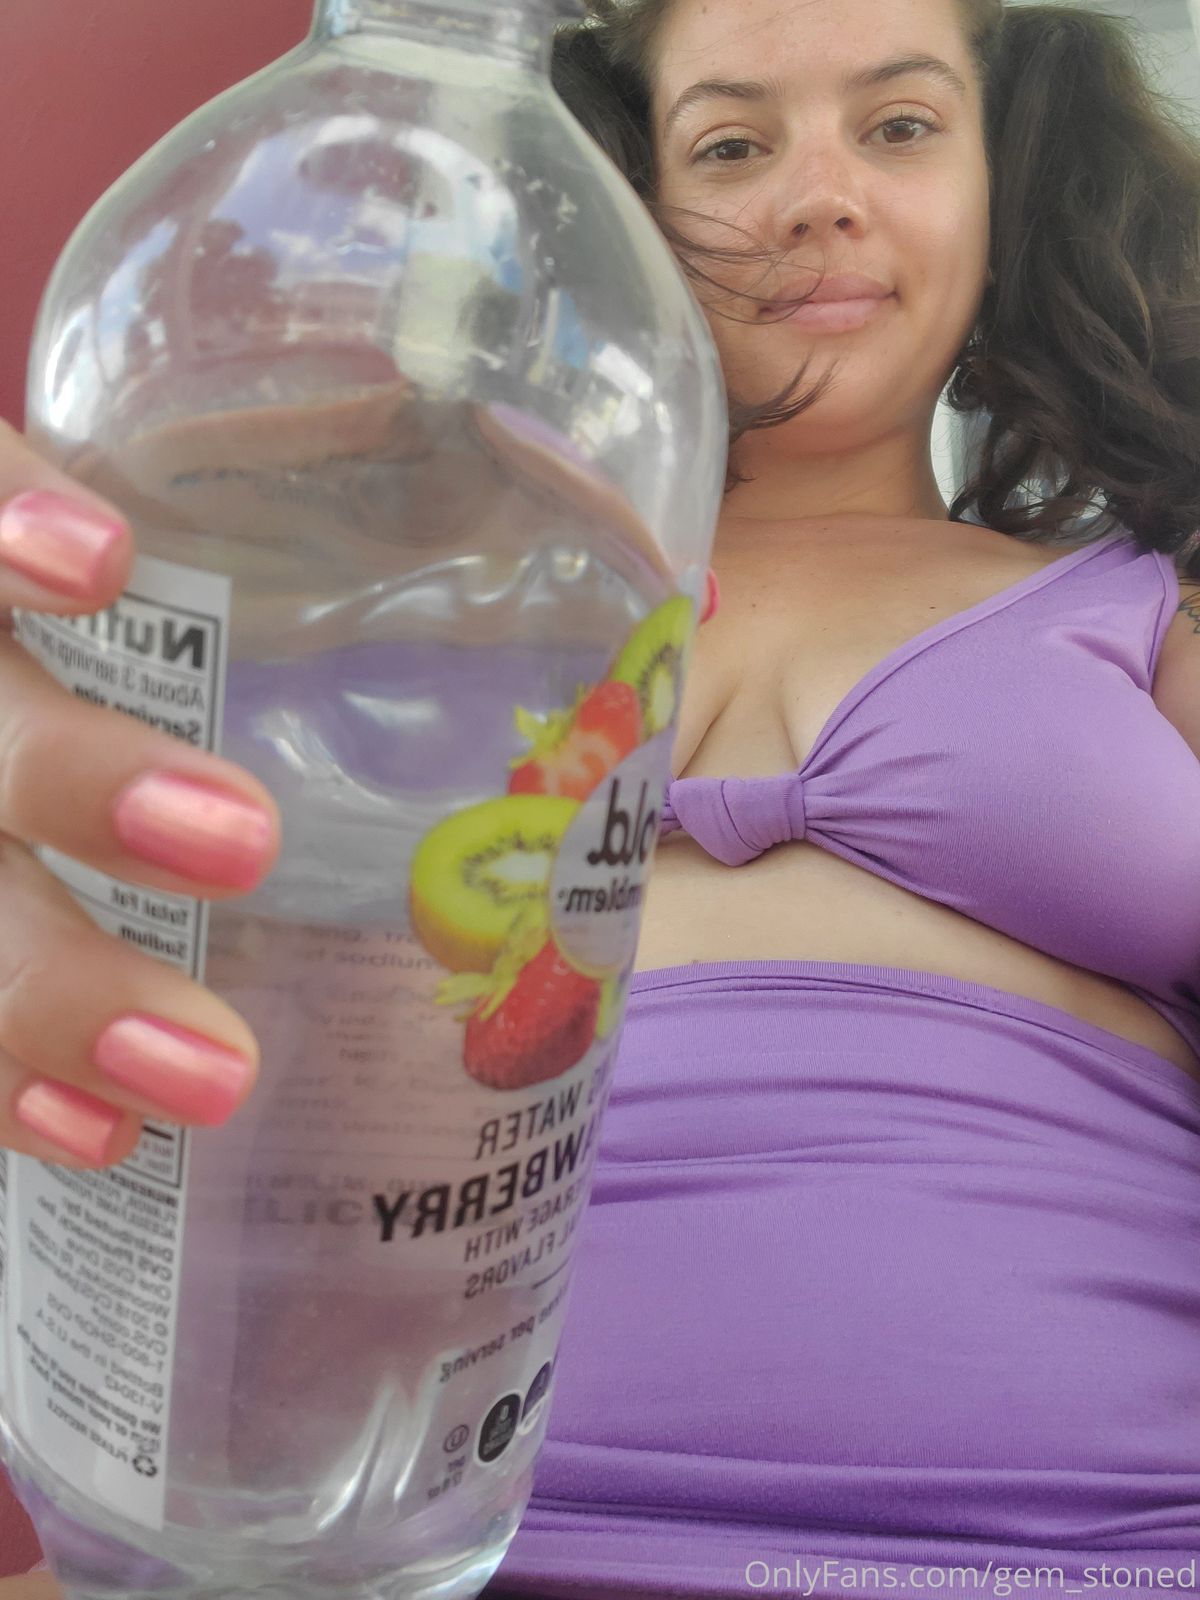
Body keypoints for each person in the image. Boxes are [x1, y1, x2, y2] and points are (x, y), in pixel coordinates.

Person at [3, 0, 1200, 1593]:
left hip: (1098, 1544)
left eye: (901, 127)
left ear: (1007, 191)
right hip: (348, 1539)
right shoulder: (397, 585)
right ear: (612, 204)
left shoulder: (1148, 611)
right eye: (732, 144)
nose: (819, 197)